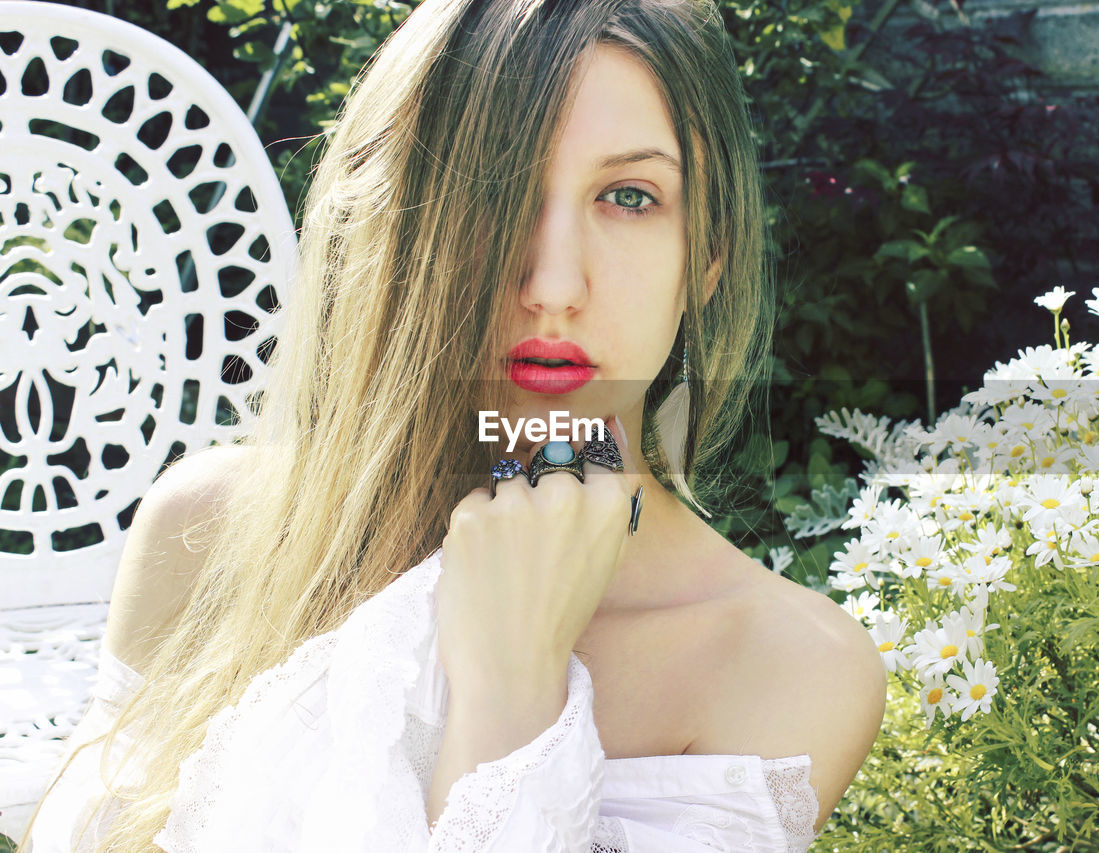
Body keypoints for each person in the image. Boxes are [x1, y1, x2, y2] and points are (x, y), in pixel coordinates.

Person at [23, 0, 885, 850]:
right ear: (397, 224)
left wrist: (513, 685)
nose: (553, 282)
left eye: (629, 196)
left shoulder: (781, 664)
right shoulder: (211, 531)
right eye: (492, 188)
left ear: (704, 256)